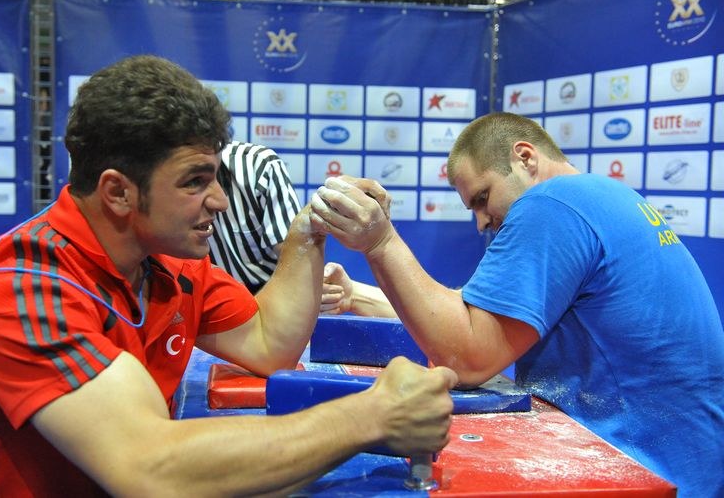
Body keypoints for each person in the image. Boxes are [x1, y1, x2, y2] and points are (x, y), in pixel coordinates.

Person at [0, 55, 458, 497]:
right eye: (195, 181)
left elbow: (270, 342)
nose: (220, 201)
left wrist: (308, 232)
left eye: (217, 177)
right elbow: (148, 469)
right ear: (117, 192)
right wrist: (372, 416)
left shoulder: (169, 263)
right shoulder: (19, 290)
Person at [309, 111, 724, 497]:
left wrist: (380, 243)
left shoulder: (552, 204)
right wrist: (357, 295)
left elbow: (467, 355)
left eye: (482, 197)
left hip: (650, 471)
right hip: (687, 467)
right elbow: (474, 316)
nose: (481, 222)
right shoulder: (599, 197)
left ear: (524, 158)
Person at [209, 140, 301, 293]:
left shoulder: (259, 164)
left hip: (266, 293)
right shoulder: (161, 171)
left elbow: (293, 251)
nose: (220, 203)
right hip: (196, 296)